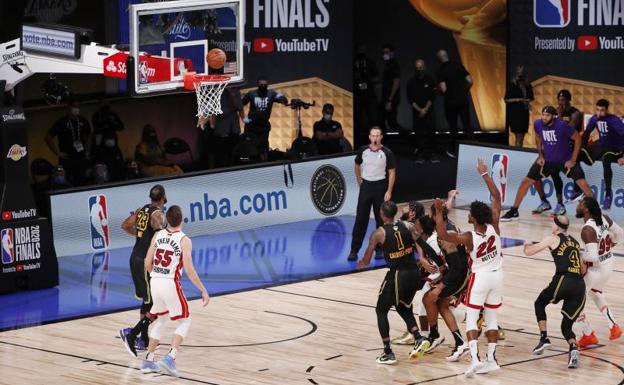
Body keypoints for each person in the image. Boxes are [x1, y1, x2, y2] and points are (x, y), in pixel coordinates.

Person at [433, 158, 503, 377]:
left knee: (472, 319)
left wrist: (438, 211)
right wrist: (484, 174)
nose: (468, 214)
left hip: (480, 278)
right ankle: (491, 360)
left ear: (474, 218)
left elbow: (443, 235)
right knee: (491, 319)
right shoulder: (494, 226)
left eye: (470, 213)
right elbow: (497, 197)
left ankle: (475, 360)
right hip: (498, 276)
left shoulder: (468, 237)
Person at [137, 205, 210, 376]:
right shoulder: (184, 240)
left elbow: (147, 263)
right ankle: (170, 357)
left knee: (161, 319)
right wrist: (203, 290)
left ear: (167, 220)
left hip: (155, 281)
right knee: (185, 320)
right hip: (170, 283)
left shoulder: (157, 235)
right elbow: (190, 270)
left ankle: (148, 360)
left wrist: (157, 274)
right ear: (182, 219)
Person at [356, 201, 428, 364]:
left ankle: (388, 352)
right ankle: (418, 337)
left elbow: (367, 260)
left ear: (381, 214)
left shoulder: (378, 233)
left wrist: (362, 263)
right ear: (394, 213)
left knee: (381, 310)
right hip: (413, 273)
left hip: (398, 275)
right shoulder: (408, 226)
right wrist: (422, 258)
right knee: (403, 306)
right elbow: (420, 242)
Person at [501, 106, 593, 221]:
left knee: (583, 183)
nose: (544, 117)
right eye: (543, 115)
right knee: (526, 181)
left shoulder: (562, 125)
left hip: (564, 160)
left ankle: (596, 213)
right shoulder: (538, 124)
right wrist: (540, 155)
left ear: (554, 116)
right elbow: (538, 137)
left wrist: (573, 160)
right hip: (548, 160)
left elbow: (578, 139)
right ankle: (514, 211)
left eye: (547, 115)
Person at [523, 215, 586, 368]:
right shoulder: (576, 243)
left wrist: (526, 244)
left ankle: (544, 338)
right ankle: (573, 348)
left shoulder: (552, 238)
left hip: (563, 280)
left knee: (539, 303)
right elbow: (583, 269)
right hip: (579, 285)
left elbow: (529, 252)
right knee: (566, 327)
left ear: (557, 227)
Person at [414, 201, 471, 361]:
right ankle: (460, 343)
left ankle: (434, 335)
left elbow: (458, 265)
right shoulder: (445, 227)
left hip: (458, 275)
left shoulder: (446, 235)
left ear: (435, 215)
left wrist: (443, 284)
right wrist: (442, 273)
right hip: (455, 272)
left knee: (428, 298)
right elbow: (447, 260)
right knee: (440, 304)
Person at [119, 185, 168, 353]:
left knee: (147, 300)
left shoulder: (142, 210)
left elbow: (125, 225)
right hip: (144, 261)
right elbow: (159, 235)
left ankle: (143, 339)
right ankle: (135, 335)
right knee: (153, 302)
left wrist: (139, 234)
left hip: (135, 257)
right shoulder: (157, 215)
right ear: (163, 198)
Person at [574, 197, 623, 346]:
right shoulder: (604, 218)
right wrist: (611, 244)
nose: (578, 205)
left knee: (573, 299)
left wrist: (578, 255)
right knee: (595, 293)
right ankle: (613, 326)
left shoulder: (587, 230)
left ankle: (587, 334)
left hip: (597, 269)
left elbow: (592, 257)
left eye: (580, 203)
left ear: (587, 209)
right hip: (608, 264)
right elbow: (620, 233)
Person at [347, 127, 396, 261]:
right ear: (369, 137)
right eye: (373, 136)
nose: (375, 138)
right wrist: (359, 179)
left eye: (377, 136)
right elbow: (357, 164)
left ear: (381, 137)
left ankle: (379, 249)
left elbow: (392, 171)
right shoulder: (363, 150)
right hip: (366, 186)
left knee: (381, 220)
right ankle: (354, 250)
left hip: (380, 186)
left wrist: (389, 190)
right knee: (361, 219)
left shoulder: (387, 152)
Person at [532, 89, 584, 213]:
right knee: (542, 175)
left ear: (568, 100)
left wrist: (558, 117)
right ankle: (549, 202)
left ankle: (574, 192)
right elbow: (544, 130)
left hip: (568, 147)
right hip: (554, 147)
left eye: (563, 100)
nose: (561, 102)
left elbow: (567, 130)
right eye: (559, 100)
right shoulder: (554, 112)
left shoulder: (575, 113)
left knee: (569, 172)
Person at [582, 99, 624, 209]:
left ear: (607, 110)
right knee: (579, 155)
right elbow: (586, 133)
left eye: (602, 110)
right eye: (597, 110)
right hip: (601, 145)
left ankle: (608, 196)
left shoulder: (614, 120)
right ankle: (578, 189)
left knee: (606, 160)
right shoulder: (595, 118)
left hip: (615, 148)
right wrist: (581, 148)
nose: (599, 113)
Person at [436, 49, 474, 158]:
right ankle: (474, 150)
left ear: (439, 58)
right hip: (463, 100)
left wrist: (442, 92)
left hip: (450, 102)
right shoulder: (458, 65)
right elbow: (470, 81)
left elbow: (444, 89)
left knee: (453, 127)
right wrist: (464, 90)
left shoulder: (441, 70)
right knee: (467, 126)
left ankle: (454, 151)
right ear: (446, 55)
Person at [45, 100, 92, 185]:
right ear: (68, 107)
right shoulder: (62, 122)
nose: (76, 109)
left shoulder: (83, 121)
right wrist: (57, 153)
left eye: (78, 107)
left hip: (81, 157)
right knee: (68, 182)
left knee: (83, 181)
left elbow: (89, 135)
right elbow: (48, 137)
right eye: (74, 106)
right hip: (67, 158)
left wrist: (88, 150)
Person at [241, 76, 288, 160]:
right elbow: (240, 104)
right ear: (258, 85)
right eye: (261, 84)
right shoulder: (251, 93)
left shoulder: (272, 93)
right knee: (249, 145)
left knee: (263, 146)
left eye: (265, 84)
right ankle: (248, 163)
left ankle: (264, 163)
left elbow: (281, 98)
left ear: (268, 85)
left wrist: (283, 100)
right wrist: (244, 119)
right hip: (251, 126)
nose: (263, 86)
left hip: (264, 126)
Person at [200, 87, 244, 168]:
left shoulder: (235, 92)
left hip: (233, 129)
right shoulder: (213, 93)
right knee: (219, 154)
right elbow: (212, 111)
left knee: (233, 152)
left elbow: (239, 107)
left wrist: (244, 120)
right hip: (220, 130)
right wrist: (205, 121)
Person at [407, 59, 438, 163]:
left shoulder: (431, 80)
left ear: (424, 67)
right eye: (417, 68)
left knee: (431, 132)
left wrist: (425, 109)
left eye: (420, 68)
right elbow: (410, 99)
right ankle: (420, 154)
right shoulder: (411, 82)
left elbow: (432, 97)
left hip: (429, 111)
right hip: (417, 112)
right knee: (419, 134)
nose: (419, 70)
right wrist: (419, 110)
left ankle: (432, 154)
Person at [353, 44, 379, 146]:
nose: (361, 51)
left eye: (362, 49)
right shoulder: (353, 62)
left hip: (370, 95)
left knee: (373, 120)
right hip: (358, 96)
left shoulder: (370, 62)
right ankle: (358, 144)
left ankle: (375, 142)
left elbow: (377, 78)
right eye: (359, 49)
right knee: (358, 121)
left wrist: (367, 81)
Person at [504, 65, 534, 147]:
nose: (520, 73)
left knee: (522, 136)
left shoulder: (528, 85)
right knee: (519, 136)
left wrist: (528, 101)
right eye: (519, 71)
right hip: (515, 113)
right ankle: (517, 154)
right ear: (516, 72)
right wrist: (519, 99)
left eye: (522, 71)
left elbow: (531, 98)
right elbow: (506, 99)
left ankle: (519, 151)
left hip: (524, 113)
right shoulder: (512, 84)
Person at [380, 43, 401, 133]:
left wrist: (390, 100)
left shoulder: (394, 65)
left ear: (392, 53)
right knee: (383, 120)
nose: (385, 54)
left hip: (391, 98)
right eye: (384, 52)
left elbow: (396, 83)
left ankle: (409, 139)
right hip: (386, 97)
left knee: (392, 122)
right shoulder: (387, 65)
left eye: (387, 52)